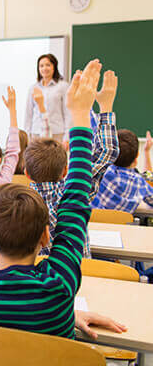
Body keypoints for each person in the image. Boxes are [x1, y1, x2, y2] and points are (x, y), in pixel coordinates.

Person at [0, 59, 128, 342]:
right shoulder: (60, 285)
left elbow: (15, 320)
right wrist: (81, 114)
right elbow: (74, 203)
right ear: (48, 235)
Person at [24, 69, 119, 257]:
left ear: (26, 172)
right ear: (66, 170)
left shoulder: (18, 204)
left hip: (34, 282)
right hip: (77, 280)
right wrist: (105, 106)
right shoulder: (74, 193)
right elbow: (107, 151)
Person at [92, 128, 153, 213]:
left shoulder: (101, 172)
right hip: (121, 225)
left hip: (93, 223)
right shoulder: (139, 182)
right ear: (137, 157)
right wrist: (146, 152)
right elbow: (148, 178)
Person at [24, 54, 69, 142]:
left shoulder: (63, 86)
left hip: (57, 133)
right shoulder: (33, 88)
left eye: (48, 65)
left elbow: (67, 113)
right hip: (36, 133)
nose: (44, 68)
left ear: (54, 67)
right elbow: (28, 114)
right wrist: (27, 135)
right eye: (41, 66)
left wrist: (67, 137)